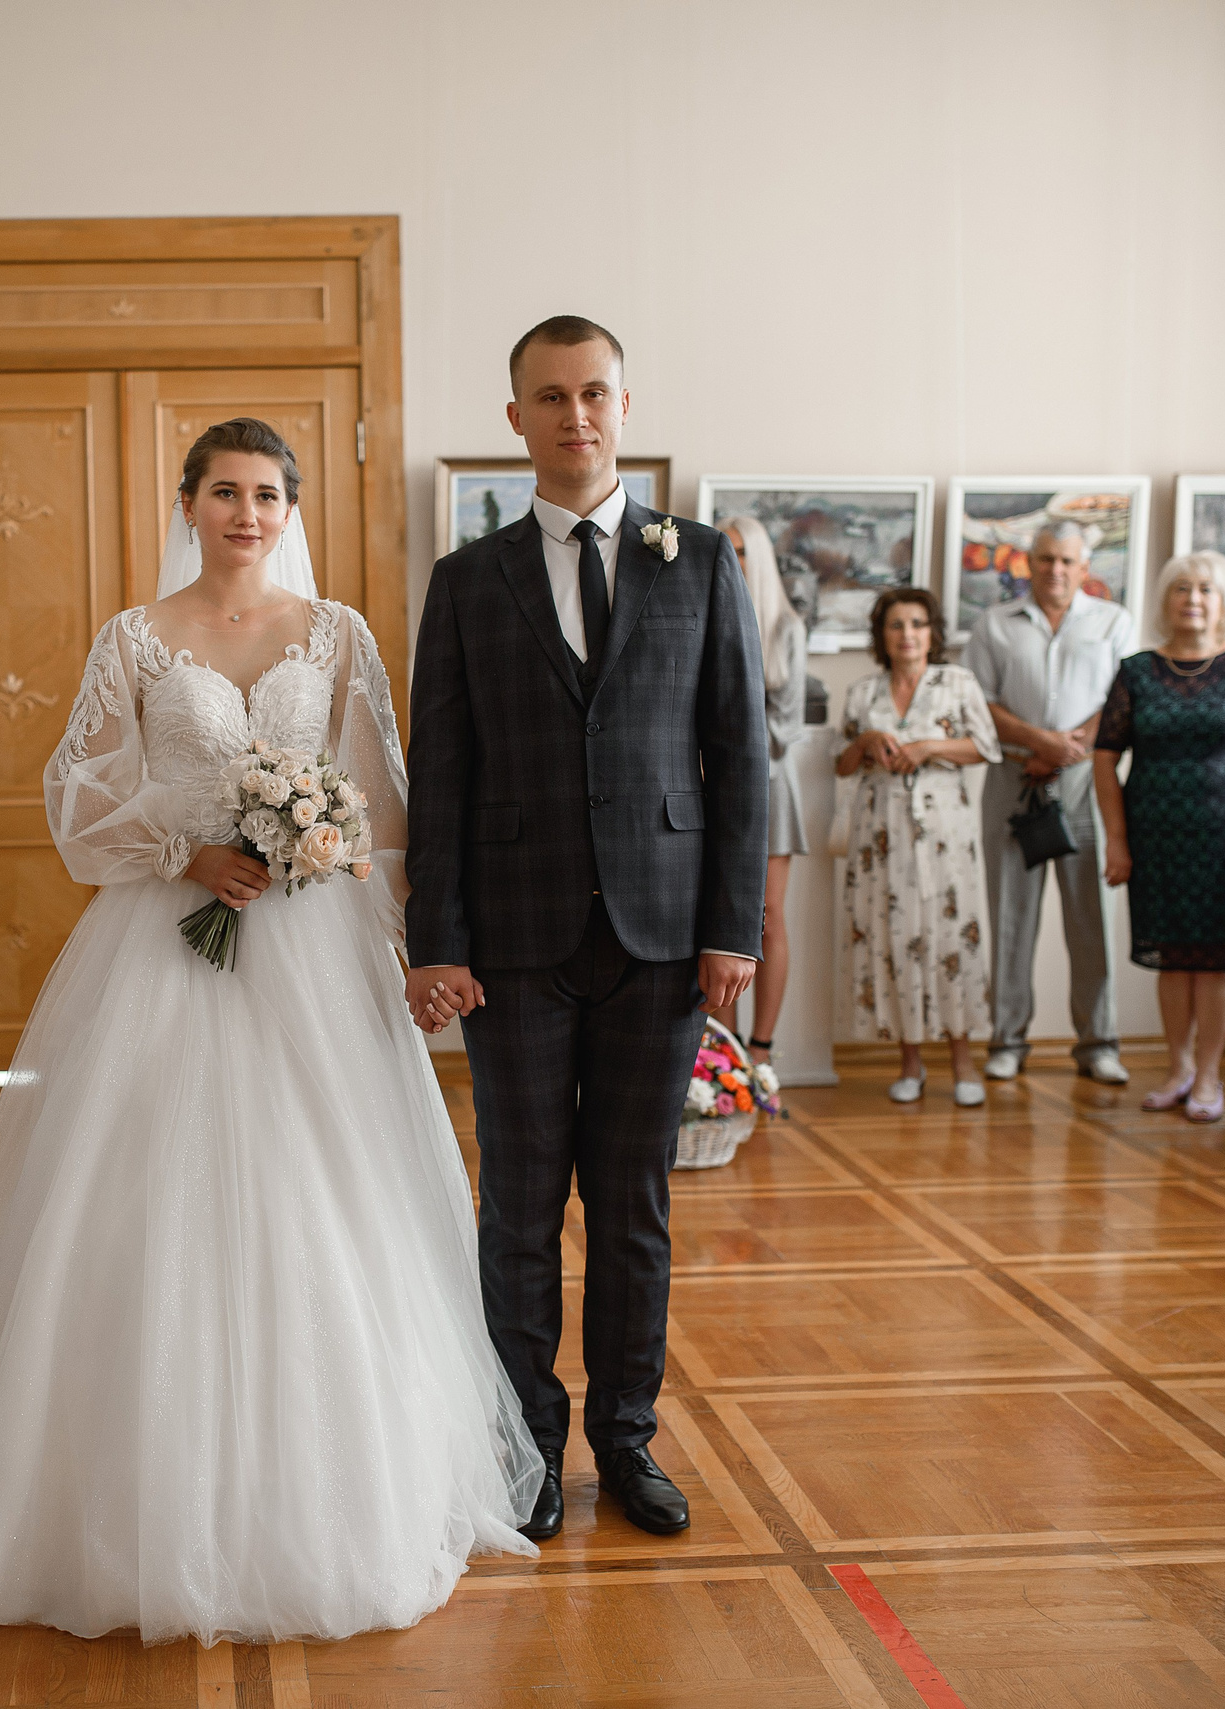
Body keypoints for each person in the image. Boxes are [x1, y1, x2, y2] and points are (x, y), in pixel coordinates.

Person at [0, 418, 541, 1642]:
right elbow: (76, 801)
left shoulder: (336, 637)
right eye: (224, 490)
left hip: (309, 955)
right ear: (189, 501)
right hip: (165, 942)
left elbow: (382, 799)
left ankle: (336, 1490)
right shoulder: (137, 636)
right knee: (136, 1199)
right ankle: (106, 1495)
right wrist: (184, 852)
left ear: (291, 509)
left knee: (321, 1196)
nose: (247, 511)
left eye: (267, 493)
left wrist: (400, 935)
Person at [407, 317, 767, 1545]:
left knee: (630, 1207)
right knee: (514, 1207)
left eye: (595, 394)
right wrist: (434, 940)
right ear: (515, 418)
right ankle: (521, 1447)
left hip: (665, 940)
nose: (576, 415)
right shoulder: (467, 580)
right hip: (508, 945)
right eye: (549, 397)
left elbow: (740, 756)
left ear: (625, 406)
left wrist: (734, 926)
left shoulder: (702, 562)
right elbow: (440, 774)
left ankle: (626, 1439)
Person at [1093, 551, 1225, 1124]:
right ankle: (1177, 1067)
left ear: (1224, 600)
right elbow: (1104, 759)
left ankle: (1209, 1075)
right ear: (1165, 600)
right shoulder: (1136, 670)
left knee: (1216, 960)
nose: (1193, 599)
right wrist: (1116, 839)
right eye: (1181, 588)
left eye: (1205, 589)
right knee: (1173, 957)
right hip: (1155, 833)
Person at [964, 520, 1133, 1087]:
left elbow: (1122, 700)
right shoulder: (995, 624)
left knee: (1092, 919)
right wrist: (1039, 743)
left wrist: (1067, 750)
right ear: (1028, 563)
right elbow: (978, 702)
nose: (1055, 570)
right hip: (1015, 782)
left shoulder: (1113, 622)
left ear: (1084, 568)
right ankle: (1008, 1040)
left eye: (1066, 561)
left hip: (1088, 783)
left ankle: (1098, 1043)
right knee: (1011, 917)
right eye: (1044, 560)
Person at [834, 586, 1001, 1106]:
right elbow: (840, 765)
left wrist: (929, 747)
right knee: (892, 936)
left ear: (933, 632)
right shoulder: (864, 693)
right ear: (882, 635)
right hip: (879, 836)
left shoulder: (958, 683)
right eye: (897, 625)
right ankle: (910, 1063)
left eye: (918, 624)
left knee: (951, 938)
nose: (908, 635)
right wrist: (864, 744)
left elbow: (987, 747)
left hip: (945, 837)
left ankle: (963, 1062)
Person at [721, 516, 806, 1076]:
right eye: (723, 550)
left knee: (768, 917)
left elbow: (786, 728)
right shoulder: (704, 618)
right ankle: (719, 1049)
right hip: (706, 792)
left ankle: (762, 1048)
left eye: (741, 552)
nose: (731, 560)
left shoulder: (786, 629)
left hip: (769, 787)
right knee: (720, 920)